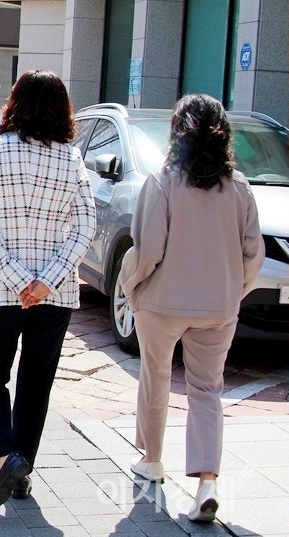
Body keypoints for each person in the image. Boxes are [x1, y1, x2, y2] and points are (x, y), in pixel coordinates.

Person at [118, 94, 265, 523]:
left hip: (162, 302)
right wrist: (232, 292)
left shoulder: (162, 183)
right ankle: (207, 484)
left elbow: (147, 253)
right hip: (218, 305)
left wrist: (130, 284)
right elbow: (252, 255)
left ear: (177, 133)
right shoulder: (239, 188)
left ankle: (152, 458)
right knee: (207, 390)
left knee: (156, 376)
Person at [0, 70, 96, 509]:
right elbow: (84, 228)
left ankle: (7, 456)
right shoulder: (72, 161)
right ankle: (22, 472)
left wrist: (18, 280)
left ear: (14, 104)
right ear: (63, 111)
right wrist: (44, 281)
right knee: (36, 383)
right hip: (53, 295)